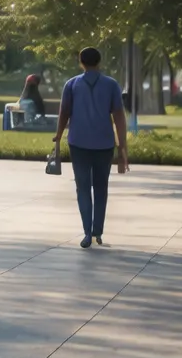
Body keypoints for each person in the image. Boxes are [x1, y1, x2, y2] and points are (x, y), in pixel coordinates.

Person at [53, 47, 129, 249]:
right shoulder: (111, 85)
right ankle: (98, 232)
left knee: (83, 188)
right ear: (99, 61)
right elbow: (119, 116)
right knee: (101, 188)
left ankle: (87, 232)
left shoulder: (72, 84)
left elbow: (64, 112)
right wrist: (122, 145)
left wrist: (58, 135)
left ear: (81, 62)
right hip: (104, 144)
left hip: (78, 143)